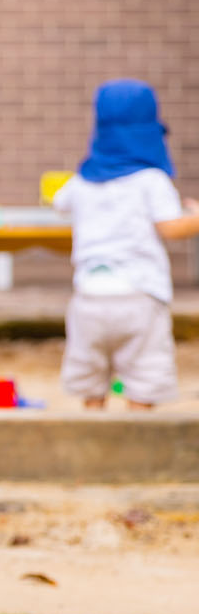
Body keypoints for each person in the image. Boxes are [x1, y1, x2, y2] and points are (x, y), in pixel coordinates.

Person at [53, 79, 199, 409]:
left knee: (91, 379)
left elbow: (60, 202)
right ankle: (139, 431)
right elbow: (172, 228)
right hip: (139, 295)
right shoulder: (151, 180)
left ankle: (94, 431)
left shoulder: (82, 181)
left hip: (88, 297)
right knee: (144, 378)